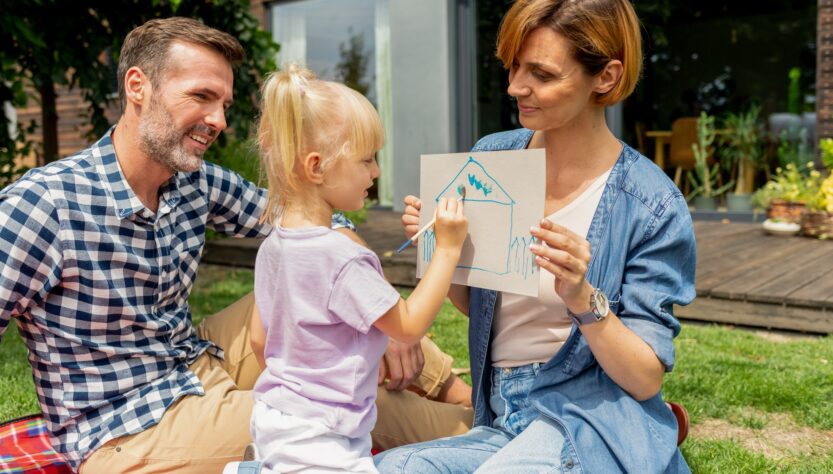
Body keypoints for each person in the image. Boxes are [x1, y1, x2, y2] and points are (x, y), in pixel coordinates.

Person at [0, 17, 471, 473]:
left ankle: (465, 396)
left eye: (224, 102)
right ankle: (480, 438)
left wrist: (383, 322)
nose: (219, 119)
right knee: (329, 413)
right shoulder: (45, 205)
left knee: (343, 302)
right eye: (201, 97)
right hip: (127, 427)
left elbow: (313, 217)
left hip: (194, 356)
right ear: (137, 87)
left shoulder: (191, 179)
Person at [376, 0, 696, 472]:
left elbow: (645, 378)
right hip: (503, 413)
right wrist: (445, 250)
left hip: (592, 417)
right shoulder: (493, 157)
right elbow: (481, 307)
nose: (515, 87)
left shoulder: (652, 205)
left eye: (542, 75)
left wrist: (583, 297)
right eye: (514, 67)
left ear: (605, 77)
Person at [222, 65, 468, 474]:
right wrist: (446, 250)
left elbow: (260, 340)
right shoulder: (342, 256)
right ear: (317, 167)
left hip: (275, 418)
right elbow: (407, 327)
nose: (375, 173)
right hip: (323, 437)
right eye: (367, 159)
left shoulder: (273, 245)